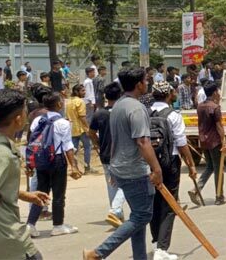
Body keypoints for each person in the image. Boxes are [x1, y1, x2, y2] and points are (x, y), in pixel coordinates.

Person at [83, 67, 164, 260]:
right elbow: (143, 142)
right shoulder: (136, 108)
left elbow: (114, 139)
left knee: (137, 215)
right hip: (134, 170)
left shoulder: (118, 106)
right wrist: (156, 168)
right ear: (138, 84)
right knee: (142, 216)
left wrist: (112, 168)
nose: (147, 84)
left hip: (119, 167)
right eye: (145, 81)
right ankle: (98, 253)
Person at [0, 89, 49, 260]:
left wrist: (23, 194)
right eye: (25, 110)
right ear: (18, 119)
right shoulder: (2, 154)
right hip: (7, 240)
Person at [149, 82, 197, 260]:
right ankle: (162, 249)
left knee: (154, 203)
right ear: (168, 94)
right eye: (173, 91)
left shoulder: (145, 113)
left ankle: (156, 242)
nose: (175, 93)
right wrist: (191, 165)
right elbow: (181, 143)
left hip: (149, 163)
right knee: (170, 205)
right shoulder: (173, 115)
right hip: (170, 163)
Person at [26, 90, 82, 238]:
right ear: (58, 104)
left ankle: (30, 224)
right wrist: (73, 166)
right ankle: (58, 225)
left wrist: (29, 162)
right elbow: (67, 146)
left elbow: (32, 141)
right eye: (62, 101)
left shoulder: (37, 121)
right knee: (58, 194)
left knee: (41, 193)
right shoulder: (63, 123)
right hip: (56, 160)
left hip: (40, 160)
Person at [88, 82, 126, 229]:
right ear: (120, 95)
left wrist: (98, 144)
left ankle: (117, 214)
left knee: (111, 185)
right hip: (121, 154)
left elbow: (91, 133)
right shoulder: (122, 112)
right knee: (125, 183)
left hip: (105, 154)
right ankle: (115, 211)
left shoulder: (99, 113)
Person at [190, 81, 226, 206]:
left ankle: (196, 189)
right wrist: (224, 141)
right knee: (219, 168)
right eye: (218, 92)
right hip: (214, 141)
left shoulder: (200, 106)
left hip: (203, 140)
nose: (219, 94)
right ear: (214, 93)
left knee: (210, 167)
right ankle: (219, 196)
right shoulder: (215, 107)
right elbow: (219, 126)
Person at [67, 84, 93, 173]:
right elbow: (82, 117)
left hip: (72, 129)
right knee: (87, 147)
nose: (84, 92)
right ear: (76, 92)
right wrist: (87, 128)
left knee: (74, 150)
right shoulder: (80, 102)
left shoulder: (68, 101)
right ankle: (87, 167)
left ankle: (76, 168)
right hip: (81, 129)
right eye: (82, 91)